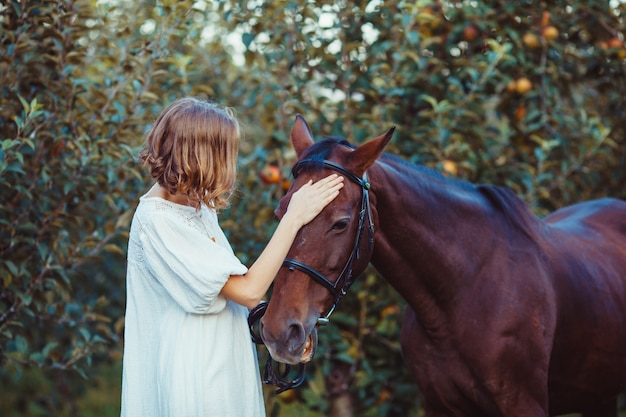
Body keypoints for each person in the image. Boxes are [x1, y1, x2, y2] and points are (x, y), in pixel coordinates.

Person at [120, 97, 344, 417]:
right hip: (196, 374)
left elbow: (232, 289)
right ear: (200, 156)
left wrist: (277, 331)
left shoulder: (195, 206)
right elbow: (248, 289)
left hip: (221, 363)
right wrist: (294, 218)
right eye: (225, 156)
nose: (230, 167)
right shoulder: (159, 220)